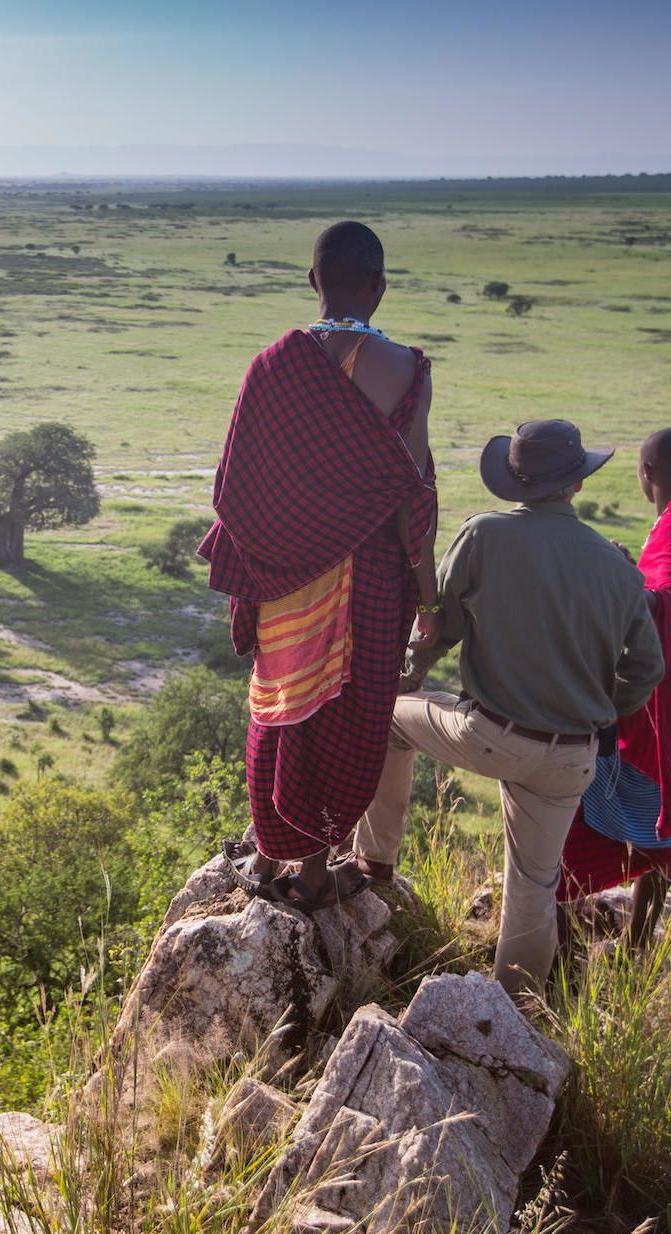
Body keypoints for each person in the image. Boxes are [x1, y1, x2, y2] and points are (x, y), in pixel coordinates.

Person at [348, 419, 666, 998]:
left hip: (490, 734)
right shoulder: (617, 567)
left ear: (515, 482)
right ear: (575, 485)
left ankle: (375, 862)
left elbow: (441, 630)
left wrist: (405, 676)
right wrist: (597, 709)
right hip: (569, 757)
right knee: (533, 892)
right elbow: (647, 669)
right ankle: (511, 1019)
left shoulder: (485, 536)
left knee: (391, 718)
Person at [199, 220, 437, 909]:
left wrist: (274, 556)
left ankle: (275, 857)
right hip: (371, 578)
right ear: (379, 287)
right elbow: (412, 496)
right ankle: (313, 865)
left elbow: (233, 490)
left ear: (311, 282)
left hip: (285, 580)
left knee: (284, 708)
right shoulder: (406, 370)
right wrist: (428, 599)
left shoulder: (271, 364)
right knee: (347, 714)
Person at [558, 427, 671, 951]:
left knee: (577, 814)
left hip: (666, 706)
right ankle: (637, 943)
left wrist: (622, 575)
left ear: (647, 475)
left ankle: (561, 945)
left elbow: (666, 605)